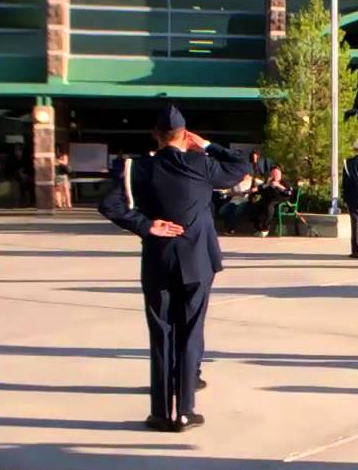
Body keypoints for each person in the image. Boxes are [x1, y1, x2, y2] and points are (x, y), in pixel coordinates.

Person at [98, 105, 250, 432]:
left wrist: (146, 225)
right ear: (185, 135)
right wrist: (206, 144)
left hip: (158, 257)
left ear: (155, 135)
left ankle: (160, 412)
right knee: (190, 332)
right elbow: (238, 166)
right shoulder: (202, 165)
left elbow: (109, 204)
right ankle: (184, 411)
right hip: (197, 260)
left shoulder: (136, 168)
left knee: (161, 333)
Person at [248, 165, 292, 237]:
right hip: (267, 200)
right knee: (253, 208)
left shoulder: (285, 182)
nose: (275, 175)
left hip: (280, 201)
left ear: (280, 174)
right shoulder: (269, 181)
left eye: (276, 173)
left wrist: (279, 186)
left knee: (269, 206)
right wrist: (266, 185)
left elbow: (289, 193)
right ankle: (259, 229)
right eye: (273, 174)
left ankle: (265, 229)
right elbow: (261, 188)